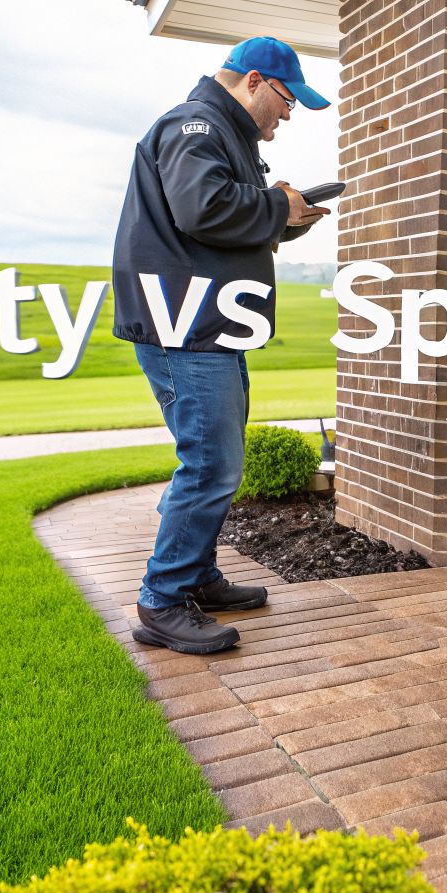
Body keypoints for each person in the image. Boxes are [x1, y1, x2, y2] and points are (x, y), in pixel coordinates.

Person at [110, 36, 332, 653]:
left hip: (208, 325)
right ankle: (162, 599)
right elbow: (202, 209)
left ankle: (198, 577)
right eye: (287, 101)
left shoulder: (221, 133)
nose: (287, 116)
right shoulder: (197, 125)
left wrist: (282, 215)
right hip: (186, 328)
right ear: (256, 82)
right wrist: (274, 205)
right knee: (209, 464)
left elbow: (216, 229)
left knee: (218, 460)